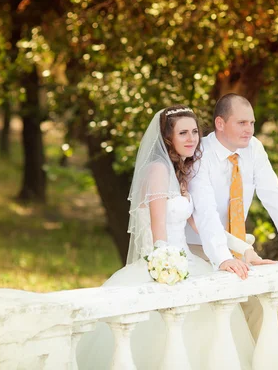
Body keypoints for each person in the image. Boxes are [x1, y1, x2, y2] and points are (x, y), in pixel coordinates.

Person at [76, 105, 258, 370]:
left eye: (195, 131)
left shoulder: (179, 171)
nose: (191, 138)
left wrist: (242, 249)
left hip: (186, 262)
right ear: (167, 138)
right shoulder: (158, 171)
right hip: (165, 264)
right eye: (182, 132)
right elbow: (159, 230)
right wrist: (168, 270)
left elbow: (202, 226)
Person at [187, 93, 278, 339]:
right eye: (242, 123)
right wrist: (223, 258)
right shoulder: (199, 154)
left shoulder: (253, 149)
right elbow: (205, 214)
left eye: (251, 123)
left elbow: (273, 197)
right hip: (196, 245)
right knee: (217, 321)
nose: (249, 129)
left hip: (236, 245)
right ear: (220, 123)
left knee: (258, 309)